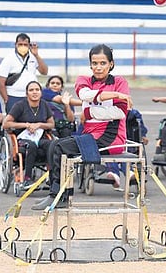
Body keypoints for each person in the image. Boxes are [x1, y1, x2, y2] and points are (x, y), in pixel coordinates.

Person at [32, 44, 131, 210]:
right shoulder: (83, 80)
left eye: (103, 63)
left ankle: (58, 196)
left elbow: (120, 113)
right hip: (89, 134)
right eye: (94, 63)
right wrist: (114, 95)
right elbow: (85, 95)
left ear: (111, 64)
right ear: (90, 64)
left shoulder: (120, 81)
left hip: (110, 138)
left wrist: (89, 111)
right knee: (53, 145)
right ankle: (57, 194)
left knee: (60, 148)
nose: (98, 67)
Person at [3, 81, 54, 190]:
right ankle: (27, 179)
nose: (34, 92)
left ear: (41, 92)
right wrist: (26, 125)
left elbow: (51, 124)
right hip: (22, 139)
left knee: (51, 144)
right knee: (31, 146)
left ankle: (51, 176)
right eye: (31, 90)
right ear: (27, 94)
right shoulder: (20, 106)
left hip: (39, 137)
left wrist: (39, 125)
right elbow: (6, 123)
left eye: (37, 90)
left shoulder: (44, 105)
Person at [0, 33, 49, 113]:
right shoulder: (8, 59)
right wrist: (6, 100)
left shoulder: (33, 57)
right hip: (13, 96)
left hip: (31, 96)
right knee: (14, 122)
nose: (23, 46)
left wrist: (36, 55)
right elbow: (1, 82)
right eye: (20, 44)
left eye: (25, 44)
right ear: (15, 45)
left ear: (29, 45)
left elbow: (44, 72)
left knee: (32, 120)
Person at [105, 108, 148, 188]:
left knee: (126, 155)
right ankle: (114, 173)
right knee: (111, 153)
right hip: (111, 142)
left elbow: (140, 127)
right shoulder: (104, 112)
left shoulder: (133, 114)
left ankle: (129, 172)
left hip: (128, 142)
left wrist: (142, 136)